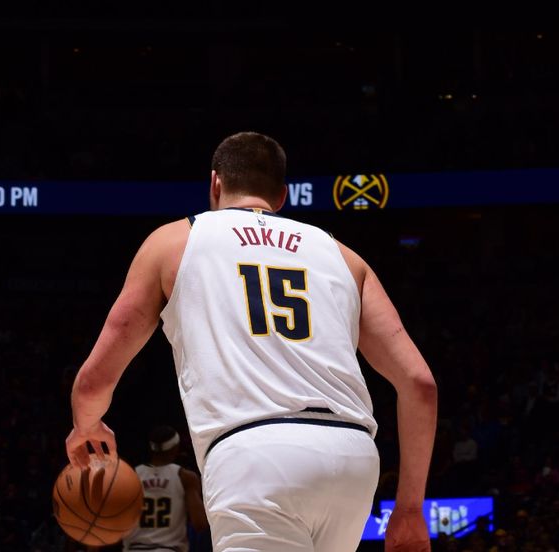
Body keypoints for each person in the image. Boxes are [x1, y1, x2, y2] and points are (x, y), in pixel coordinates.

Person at [66, 132, 437, 552]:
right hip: (351, 459)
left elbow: (97, 378)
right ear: (281, 197)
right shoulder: (345, 257)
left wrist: (87, 424)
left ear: (215, 184)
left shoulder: (173, 242)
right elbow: (420, 384)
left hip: (255, 455)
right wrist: (409, 508)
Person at [122, 425, 208, 552]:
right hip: (169, 548)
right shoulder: (185, 477)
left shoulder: (132, 475)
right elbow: (200, 523)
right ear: (176, 447)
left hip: (134, 548)